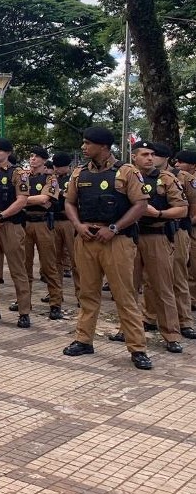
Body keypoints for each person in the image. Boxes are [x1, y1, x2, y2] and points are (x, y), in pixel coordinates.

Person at [62, 127, 152, 370]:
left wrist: (113, 227)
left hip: (117, 241)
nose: (83, 147)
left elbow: (141, 205)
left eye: (87, 143)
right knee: (87, 294)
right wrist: (78, 225)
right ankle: (83, 340)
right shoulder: (79, 173)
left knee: (124, 295)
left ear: (103, 146)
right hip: (87, 239)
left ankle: (137, 349)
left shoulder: (126, 172)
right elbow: (69, 202)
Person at [109, 141, 186, 353]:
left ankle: (171, 335)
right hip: (128, 237)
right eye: (144, 154)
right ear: (134, 157)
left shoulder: (165, 178)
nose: (150, 158)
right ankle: (126, 330)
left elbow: (182, 210)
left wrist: (158, 214)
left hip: (156, 236)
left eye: (152, 154)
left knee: (163, 287)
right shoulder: (122, 177)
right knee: (127, 289)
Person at [0, 137, 33, 328]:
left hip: (11, 225)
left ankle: (24, 312)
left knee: (17, 269)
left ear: (8, 153)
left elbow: (22, 200)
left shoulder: (18, 173)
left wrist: (2, 216)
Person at [153, 143, 196, 340]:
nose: (150, 158)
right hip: (154, 233)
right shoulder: (144, 176)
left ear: (164, 158)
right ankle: (150, 317)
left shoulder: (183, 177)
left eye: (154, 155)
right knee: (151, 278)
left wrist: (186, 223)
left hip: (177, 230)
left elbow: (193, 205)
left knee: (179, 275)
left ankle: (185, 321)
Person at [23, 146, 63, 320]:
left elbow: (45, 199)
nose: (33, 159)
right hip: (25, 222)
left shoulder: (51, 178)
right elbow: (36, 199)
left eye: (37, 156)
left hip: (43, 223)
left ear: (44, 160)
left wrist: (22, 200)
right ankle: (24, 301)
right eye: (31, 156)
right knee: (24, 266)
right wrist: (32, 200)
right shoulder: (23, 177)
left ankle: (55, 303)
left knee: (49, 265)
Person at [50, 152, 78, 296]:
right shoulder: (52, 179)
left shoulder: (73, 179)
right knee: (55, 259)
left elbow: (73, 197)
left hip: (68, 221)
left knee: (75, 258)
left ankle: (80, 293)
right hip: (53, 219)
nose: (56, 169)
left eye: (59, 166)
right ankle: (55, 292)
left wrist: (60, 192)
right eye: (55, 166)